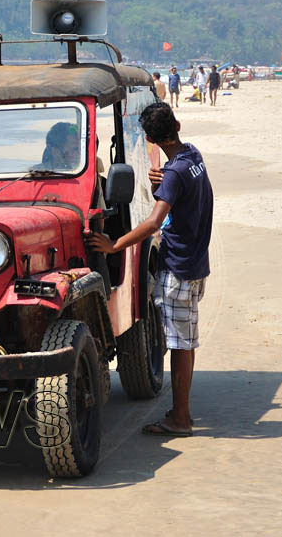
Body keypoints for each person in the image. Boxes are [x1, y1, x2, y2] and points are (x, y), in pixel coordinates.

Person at [87, 102, 212, 438]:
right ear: (179, 126)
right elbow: (180, 192)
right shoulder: (192, 157)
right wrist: (163, 183)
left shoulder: (174, 174)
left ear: (151, 141)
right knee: (185, 341)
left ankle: (181, 419)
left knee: (181, 344)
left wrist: (115, 245)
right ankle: (180, 410)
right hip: (196, 262)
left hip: (180, 268)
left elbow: (154, 221)